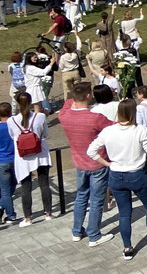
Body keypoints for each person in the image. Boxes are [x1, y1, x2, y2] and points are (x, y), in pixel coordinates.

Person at [87, 98, 147, 260]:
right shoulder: (140, 130)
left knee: (124, 213)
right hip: (137, 174)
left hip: (116, 175)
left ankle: (127, 247)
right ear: (134, 113)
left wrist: (107, 163)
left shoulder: (108, 131)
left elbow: (91, 151)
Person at [60, 82, 115, 246]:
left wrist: (73, 96)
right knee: (97, 200)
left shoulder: (65, 116)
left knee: (81, 196)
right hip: (98, 162)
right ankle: (94, 235)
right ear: (88, 96)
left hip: (79, 162)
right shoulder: (95, 118)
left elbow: (67, 104)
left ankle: (77, 230)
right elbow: (113, 127)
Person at [8, 92, 52, 226]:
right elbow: (45, 134)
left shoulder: (12, 120)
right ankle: (48, 213)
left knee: (26, 187)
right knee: (44, 184)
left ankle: (28, 217)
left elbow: (12, 136)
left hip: (23, 157)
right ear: (31, 101)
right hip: (40, 153)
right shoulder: (40, 116)